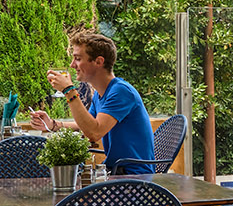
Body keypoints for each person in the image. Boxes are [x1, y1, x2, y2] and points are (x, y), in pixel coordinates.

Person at [28, 31, 155, 175]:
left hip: (134, 177)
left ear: (99, 62)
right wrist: (52, 124)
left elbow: (94, 133)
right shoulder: (100, 94)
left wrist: (69, 90)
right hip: (115, 172)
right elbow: (86, 125)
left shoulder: (121, 92)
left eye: (77, 58)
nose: (72, 65)